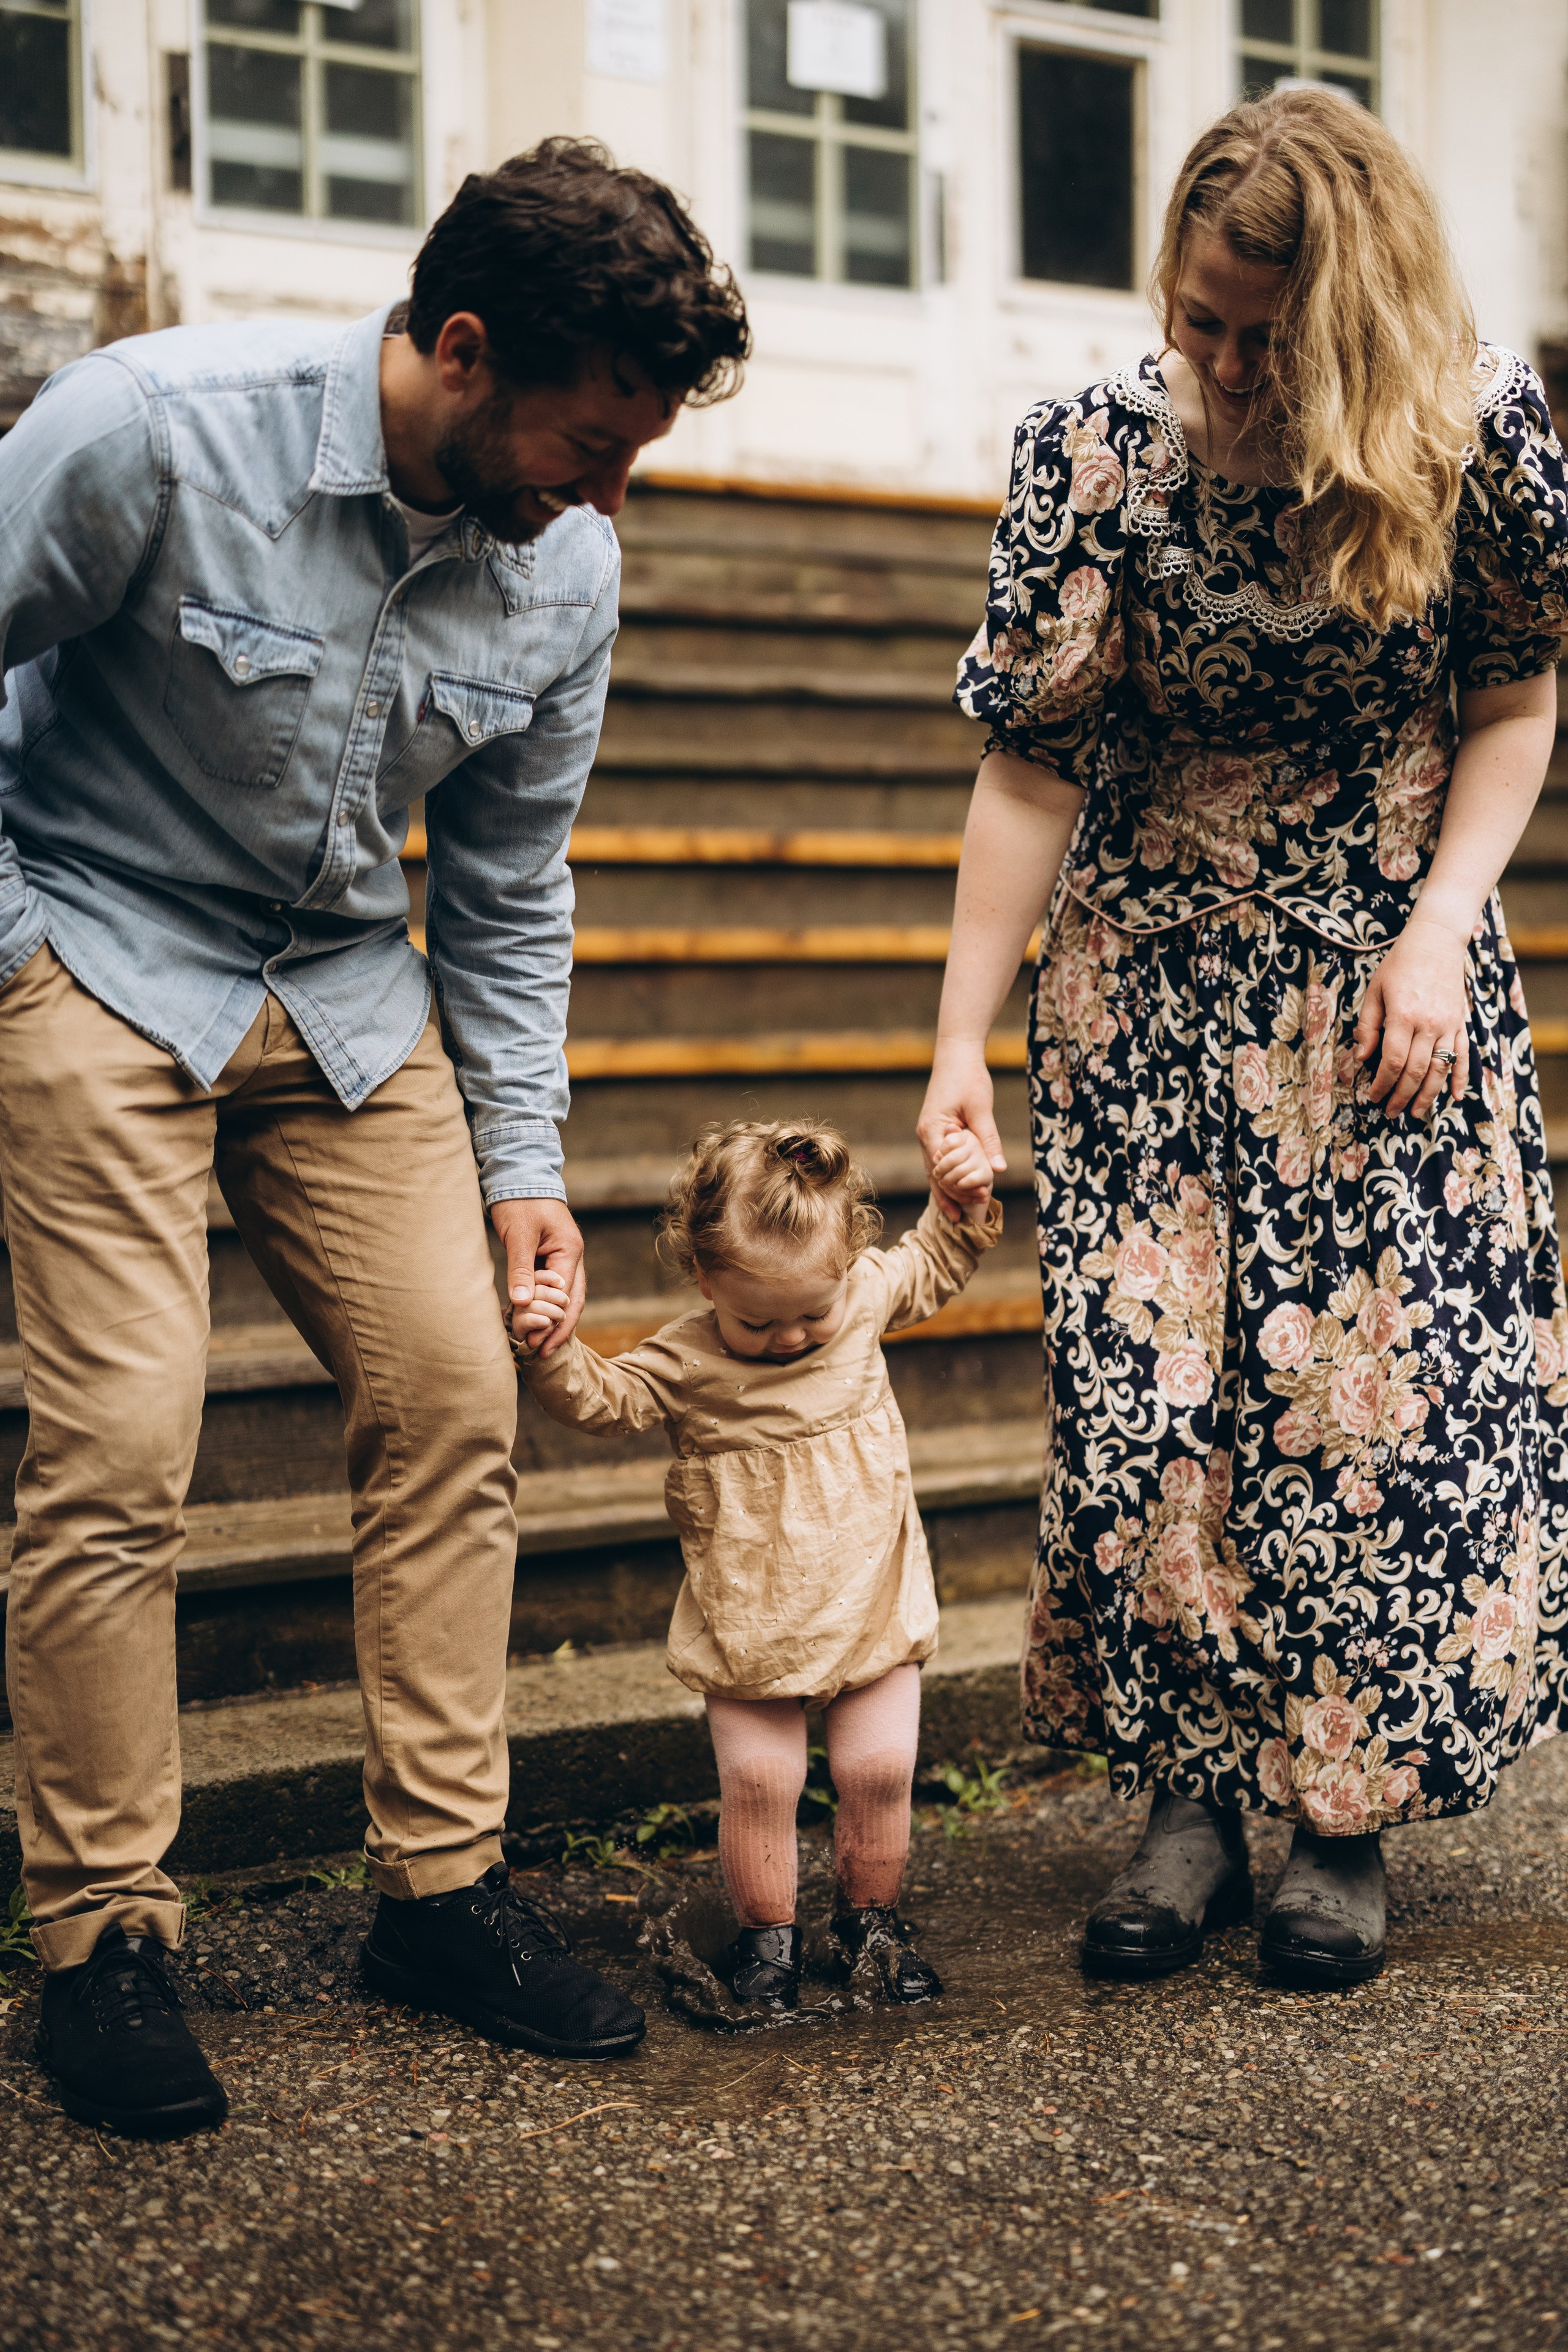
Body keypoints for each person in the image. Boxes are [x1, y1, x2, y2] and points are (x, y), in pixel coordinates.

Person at [0, 137, 749, 2136]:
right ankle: (99, 1933)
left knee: (452, 1394)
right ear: (464, 349)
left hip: (343, 986)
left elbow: (506, 888)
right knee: (125, 1433)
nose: (609, 502)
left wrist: (522, 1173)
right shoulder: (148, 434)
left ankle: (438, 1889)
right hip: (91, 935)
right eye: (590, 445)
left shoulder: (566, 564)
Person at [918, 87, 1568, 1989]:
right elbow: (1033, 766)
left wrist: (1443, 927)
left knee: (1367, 1407)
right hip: (1140, 981)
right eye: (1194, 317)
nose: (1214, 360)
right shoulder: (1093, 457)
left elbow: (1517, 703)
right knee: (1151, 1408)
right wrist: (962, 1042)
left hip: (1387, 985)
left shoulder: (1474, 434)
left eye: (1259, 336)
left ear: (1349, 313)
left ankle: (1340, 1819)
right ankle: (1189, 1800)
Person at [514, 1118, 1000, 2010]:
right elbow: (604, 1399)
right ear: (705, 1279)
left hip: (871, 1603)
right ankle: (767, 1941)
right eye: (757, 1321)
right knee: (761, 1781)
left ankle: (872, 1924)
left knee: (880, 1771)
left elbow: (935, 1260)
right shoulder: (685, 1358)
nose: (790, 1339)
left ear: (847, 1268)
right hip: (752, 1617)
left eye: (811, 1314)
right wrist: (551, 1349)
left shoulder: (864, 1295)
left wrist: (960, 1202)